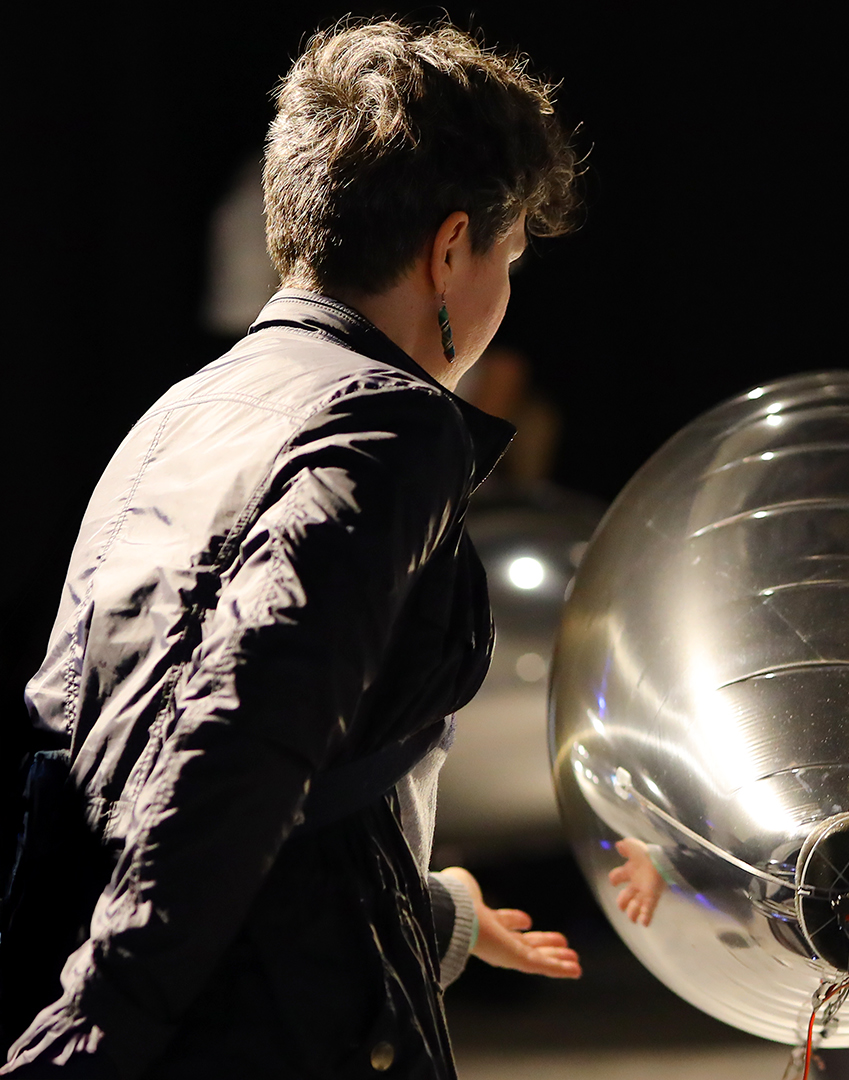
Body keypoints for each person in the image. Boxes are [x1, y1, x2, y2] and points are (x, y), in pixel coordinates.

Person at [2, 20, 584, 1078]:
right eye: (508, 257)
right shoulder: (389, 423)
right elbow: (237, 742)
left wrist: (427, 913)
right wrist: (90, 1040)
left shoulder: (183, 412)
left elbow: (127, 759)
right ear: (451, 248)